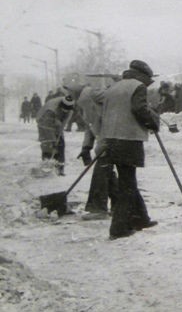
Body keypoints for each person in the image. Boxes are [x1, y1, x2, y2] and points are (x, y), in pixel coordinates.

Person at [101, 60, 160, 240]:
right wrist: (152, 122)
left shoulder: (114, 88)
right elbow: (139, 109)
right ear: (143, 76)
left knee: (128, 179)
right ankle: (118, 228)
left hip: (111, 139)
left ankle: (141, 218)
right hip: (128, 139)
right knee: (127, 184)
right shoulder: (137, 87)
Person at [77, 81, 119, 220]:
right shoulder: (84, 102)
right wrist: (86, 147)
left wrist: (104, 143)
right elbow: (91, 125)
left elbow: (104, 121)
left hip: (113, 138)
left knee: (101, 171)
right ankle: (119, 206)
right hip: (107, 139)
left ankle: (98, 208)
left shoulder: (88, 96)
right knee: (106, 172)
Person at [36, 94, 75, 175]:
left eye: (67, 110)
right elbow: (48, 127)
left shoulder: (70, 109)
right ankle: (46, 166)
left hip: (57, 122)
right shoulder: (51, 109)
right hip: (44, 122)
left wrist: (59, 133)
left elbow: (63, 123)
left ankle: (60, 168)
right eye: (64, 109)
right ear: (61, 105)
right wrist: (53, 140)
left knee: (61, 144)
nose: (66, 111)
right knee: (48, 144)